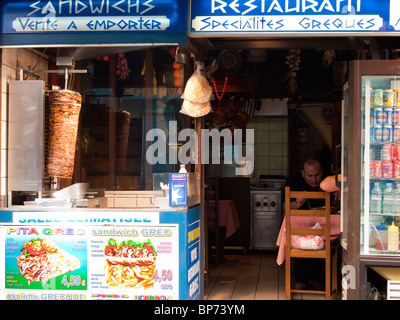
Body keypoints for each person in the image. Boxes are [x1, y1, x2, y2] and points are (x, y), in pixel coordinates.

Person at [283, 156, 334, 290]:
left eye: (317, 175)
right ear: (303, 173)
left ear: (322, 171)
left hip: (325, 227)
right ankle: (301, 278)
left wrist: (341, 189)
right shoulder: (294, 181)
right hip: (300, 229)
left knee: (332, 242)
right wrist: (297, 202)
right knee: (295, 239)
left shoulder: (329, 179)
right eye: (310, 175)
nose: (314, 179)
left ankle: (318, 278)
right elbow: (285, 208)